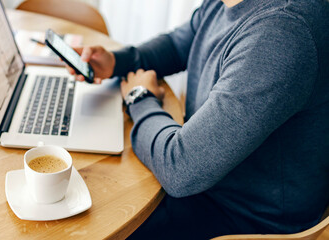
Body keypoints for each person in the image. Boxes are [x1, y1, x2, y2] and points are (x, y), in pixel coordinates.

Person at [66, 0, 329, 239]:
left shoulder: (280, 34)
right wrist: (117, 62)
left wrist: (139, 98)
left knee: (84, 224)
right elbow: (180, 44)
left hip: (244, 218)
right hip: (209, 180)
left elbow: (180, 169)